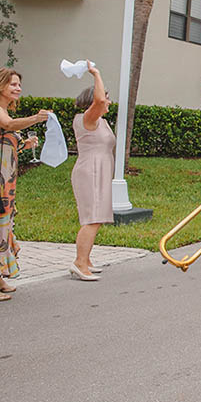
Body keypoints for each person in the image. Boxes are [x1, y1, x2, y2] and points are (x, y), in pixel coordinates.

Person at [0, 69, 49, 301]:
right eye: (13, 84)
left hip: (6, 181)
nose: (18, 88)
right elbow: (8, 124)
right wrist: (35, 119)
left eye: (19, 85)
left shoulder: (2, 111)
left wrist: (25, 145)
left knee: (2, 225)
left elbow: (5, 142)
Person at [69, 65, 114, 281]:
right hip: (91, 171)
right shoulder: (89, 118)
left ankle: (86, 259)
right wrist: (97, 73)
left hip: (100, 171)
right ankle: (79, 263)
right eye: (106, 98)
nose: (108, 102)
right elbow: (98, 101)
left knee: (95, 217)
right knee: (92, 218)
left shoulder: (100, 121)